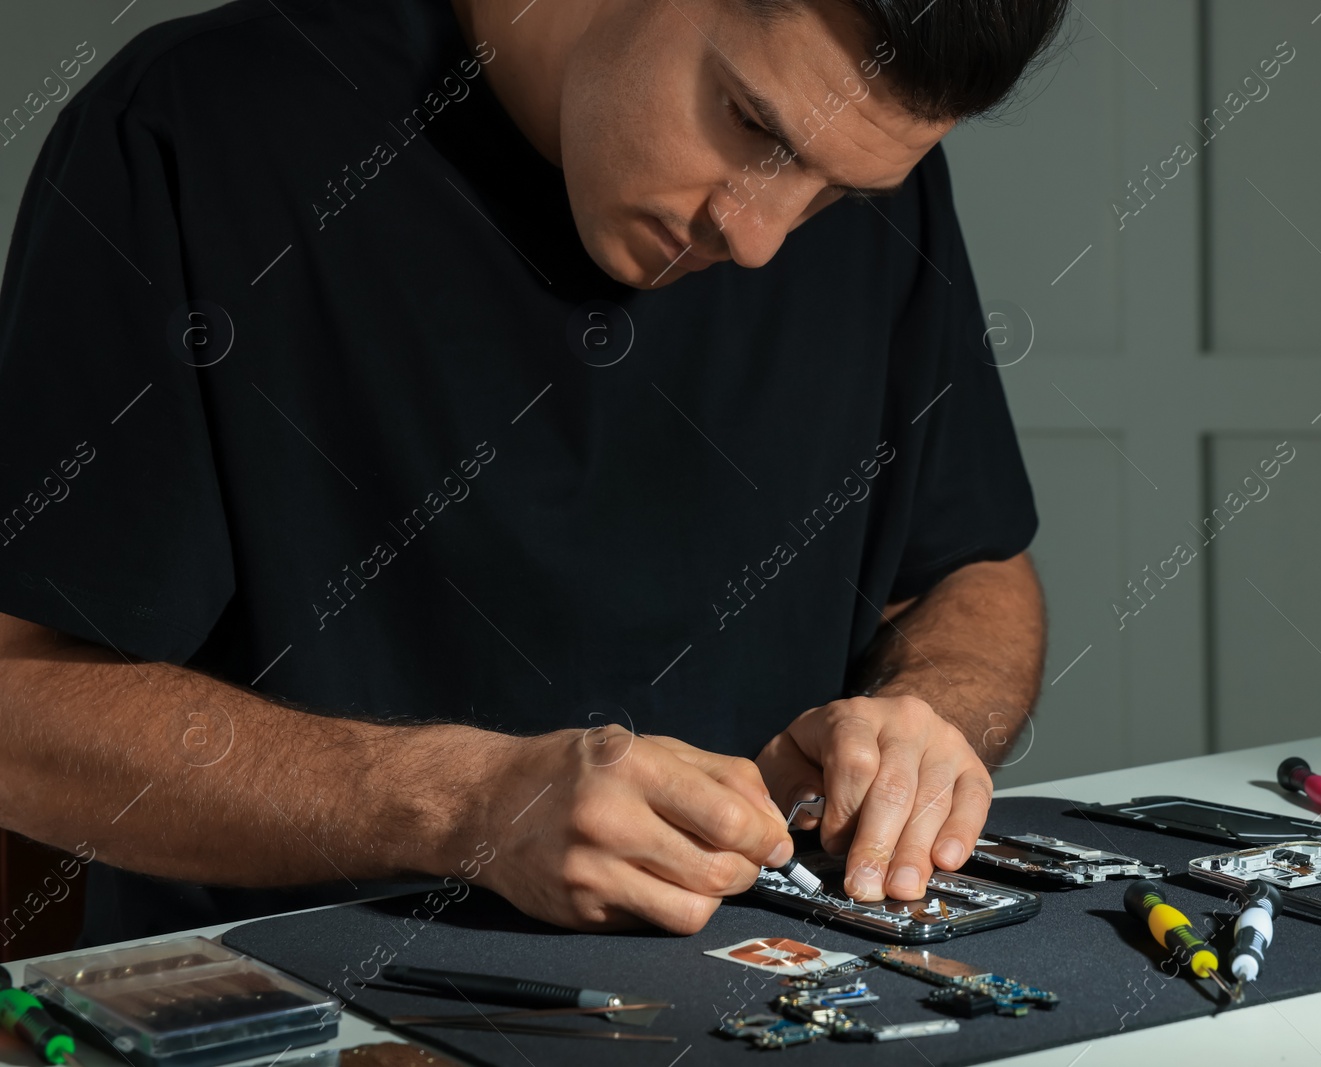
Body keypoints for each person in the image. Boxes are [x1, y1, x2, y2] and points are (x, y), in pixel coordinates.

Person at [0, 0, 1063, 947]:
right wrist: (466, 806)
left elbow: (972, 570)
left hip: (765, 993)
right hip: (290, 1010)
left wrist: (932, 713)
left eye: (834, 191)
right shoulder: (198, 124)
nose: (758, 235)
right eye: (752, 124)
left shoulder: (855, 168)